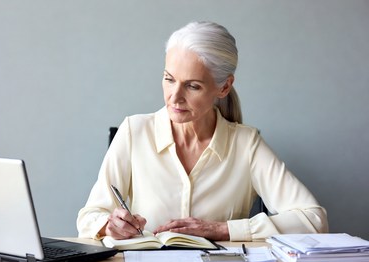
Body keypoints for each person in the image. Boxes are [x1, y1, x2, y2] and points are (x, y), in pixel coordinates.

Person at [77, 21, 328, 242]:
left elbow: (314, 220)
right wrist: (109, 226)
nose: (174, 97)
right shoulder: (134, 131)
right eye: (169, 79)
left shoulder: (246, 143)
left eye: (192, 86)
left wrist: (222, 229)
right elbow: (89, 217)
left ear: (224, 87)